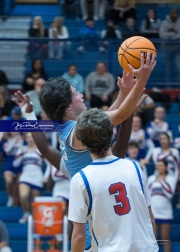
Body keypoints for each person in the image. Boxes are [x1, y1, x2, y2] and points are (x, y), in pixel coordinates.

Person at [14, 52, 156, 250]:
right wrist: (142, 80)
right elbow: (121, 114)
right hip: (97, 240)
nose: (81, 94)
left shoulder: (69, 128)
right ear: (70, 105)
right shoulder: (77, 131)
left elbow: (47, 148)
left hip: (100, 216)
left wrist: (28, 113)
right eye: (75, 93)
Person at [68, 108, 158, 252]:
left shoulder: (81, 180)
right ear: (111, 134)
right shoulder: (134, 167)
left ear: (83, 143)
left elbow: (79, 236)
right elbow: (150, 218)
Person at [13, 132, 51, 224]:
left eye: (31, 137)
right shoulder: (23, 149)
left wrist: (45, 177)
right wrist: (20, 153)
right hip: (25, 177)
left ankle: (34, 220)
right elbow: (15, 164)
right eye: (28, 137)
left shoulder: (39, 151)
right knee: (23, 196)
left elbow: (50, 164)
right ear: (25, 139)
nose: (30, 139)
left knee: (35, 202)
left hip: (37, 178)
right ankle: (26, 213)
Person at [148, 160, 176, 252]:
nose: (159, 167)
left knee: (165, 238)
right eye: (158, 165)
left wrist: (162, 181)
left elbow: (170, 194)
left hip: (166, 213)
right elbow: (147, 194)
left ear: (166, 167)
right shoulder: (151, 178)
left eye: (161, 165)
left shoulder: (170, 179)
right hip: (153, 213)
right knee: (153, 239)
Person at [2, 132, 24, 207]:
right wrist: (14, 140)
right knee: (9, 181)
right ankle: (10, 197)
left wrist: (20, 140)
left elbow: (22, 151)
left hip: (19, 163)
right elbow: (7, 150)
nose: (15, 132)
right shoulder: (6, 141)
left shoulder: (22, 141)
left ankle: (15, 199)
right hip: (9, 163)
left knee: (17, 184)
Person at [159, 8, 180, 82]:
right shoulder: (164, 22)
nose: (173, 15)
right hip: (167, 50)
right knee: (168, 70)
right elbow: (162, 35)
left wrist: (170, 35)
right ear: (170, 14)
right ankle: (169, 87)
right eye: (172, 13)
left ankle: (178, 88)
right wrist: (173, 34)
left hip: (178, 50)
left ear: (177, 14)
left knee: (179, 70)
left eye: (175, 13)